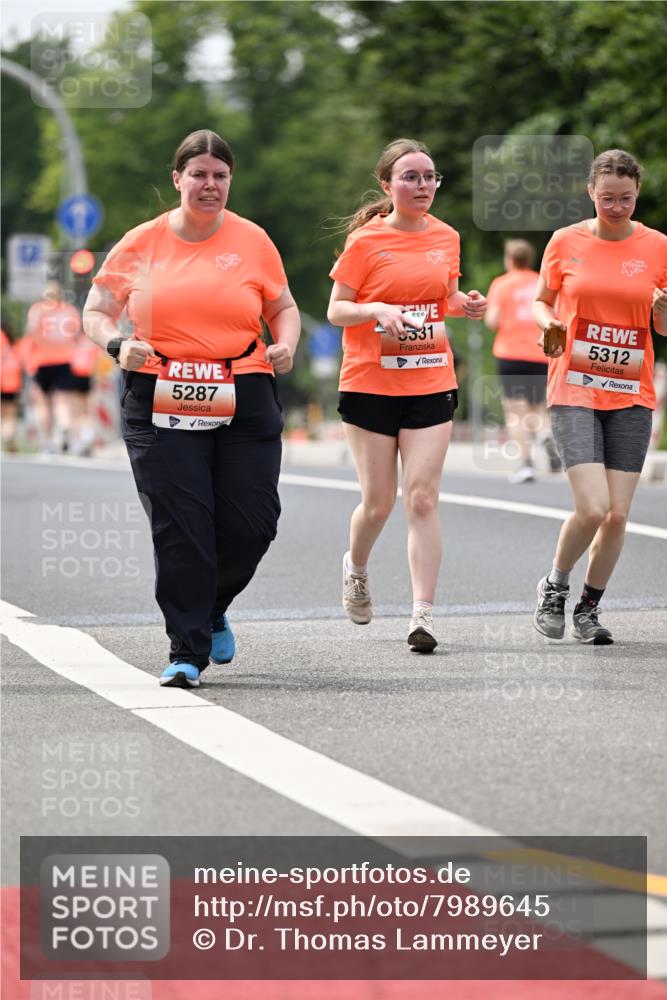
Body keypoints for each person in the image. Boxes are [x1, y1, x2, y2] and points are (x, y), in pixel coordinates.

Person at [83, 129, 300, 687]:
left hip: (243, 387)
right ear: (177, 179)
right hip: (159, 389)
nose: (210, 185)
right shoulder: (141, 242)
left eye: (220, 176)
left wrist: (287, 343)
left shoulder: (252, 240)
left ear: (230, 181)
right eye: (199, 174)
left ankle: (211, 604)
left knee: (252, 524)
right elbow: (97, 310)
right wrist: (116, 344)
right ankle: (186, 651)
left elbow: (284, 306)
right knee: (183, 526)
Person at [327, 138, 487, 652]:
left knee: (421, 496)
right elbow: (336, 310)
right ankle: (355, 566)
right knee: (378, 504)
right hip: (370, 383)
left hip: (431, 379)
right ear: (387, 185)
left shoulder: (447, 236)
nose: (423, 186)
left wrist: (468, 304)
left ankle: (423, 616)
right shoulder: (366, 243)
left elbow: (443, 301)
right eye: (411, 177)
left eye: (430, 177)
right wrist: (376, 311)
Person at [532, 149, 667, 645]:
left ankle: (589, 608)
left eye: (626, 198)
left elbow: (664, 328)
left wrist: (663, 310)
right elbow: (542, 299)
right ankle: (555, 585)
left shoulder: (658, 247)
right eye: (607, 197)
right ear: (591, 193)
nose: (616, 206)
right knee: (592, 507)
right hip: (574, 387)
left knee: (617, 515)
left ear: (638, 195)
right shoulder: (565, 241)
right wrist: (548, 324)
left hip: (632, 391)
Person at [485, 239, 561, 483]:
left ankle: (527, 464)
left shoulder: (501, 284)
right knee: (539, 408)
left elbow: (492, 320)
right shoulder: (541, 282)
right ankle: (546, 434)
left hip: (510, 355)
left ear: (509, 260)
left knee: (516, 412)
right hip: (540, 354)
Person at [23, 281, 81, 452]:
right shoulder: (69, 311)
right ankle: (64, 427)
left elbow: (30, 332)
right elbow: (77, 334)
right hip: (65, 360)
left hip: (42, 361)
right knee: (63, 400)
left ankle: (47, 442)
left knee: (43, 403)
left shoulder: (37, 310)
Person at [1, 325, 22, 451]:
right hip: (11, 381)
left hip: (6, 379)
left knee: (3, 414)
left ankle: (6, 435)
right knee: (9, 414)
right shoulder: (12, 342)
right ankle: (8, 436)